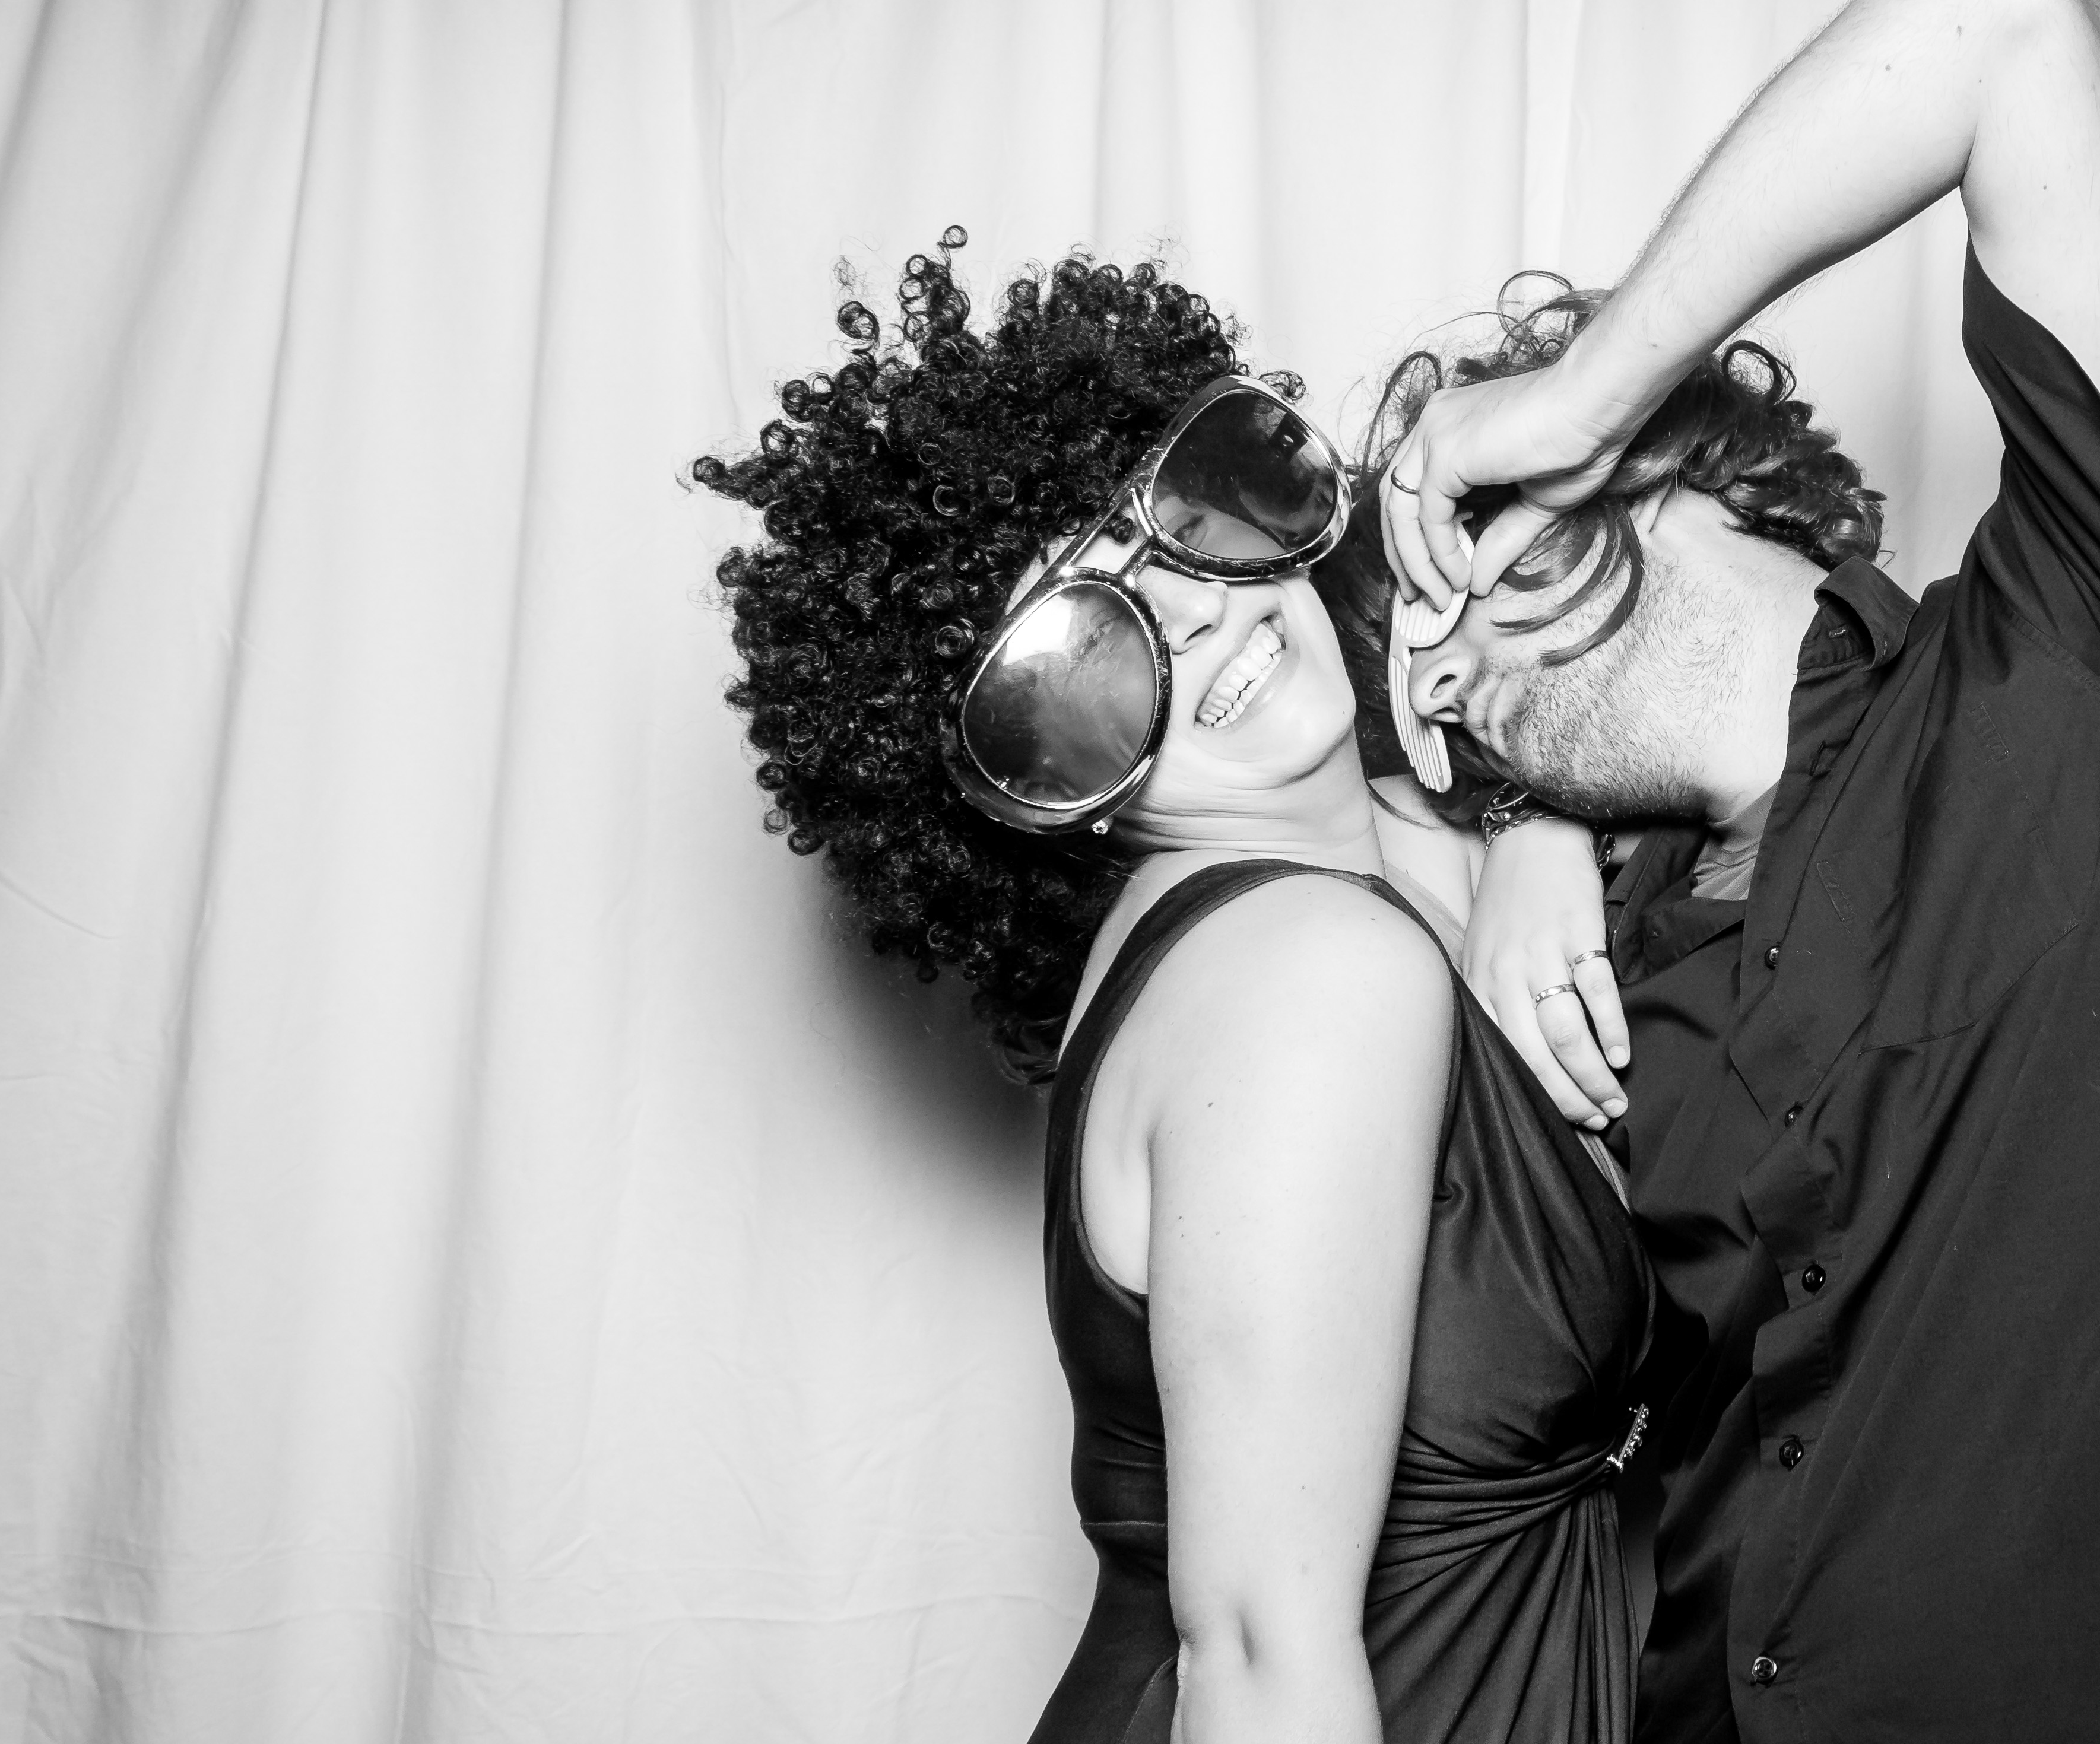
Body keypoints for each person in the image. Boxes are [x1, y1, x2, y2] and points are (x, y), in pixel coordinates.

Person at [1379, 0, 2100, 1739]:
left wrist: (1574, 388)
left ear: (1655, 466)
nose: (1427, 664)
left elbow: (1999, 5)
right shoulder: (1594, 975)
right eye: (1403, 647)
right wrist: (1514, 827)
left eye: (1450, 555)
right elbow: (1242, 817)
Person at [694, 242, 1652, 1744]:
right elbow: (1262, 1655)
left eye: (1183, 528)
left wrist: (1547, 815)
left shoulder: (1392, 861)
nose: (1192, 619)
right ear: (1039, 790)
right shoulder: (1305, 974)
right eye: (1083, 648)